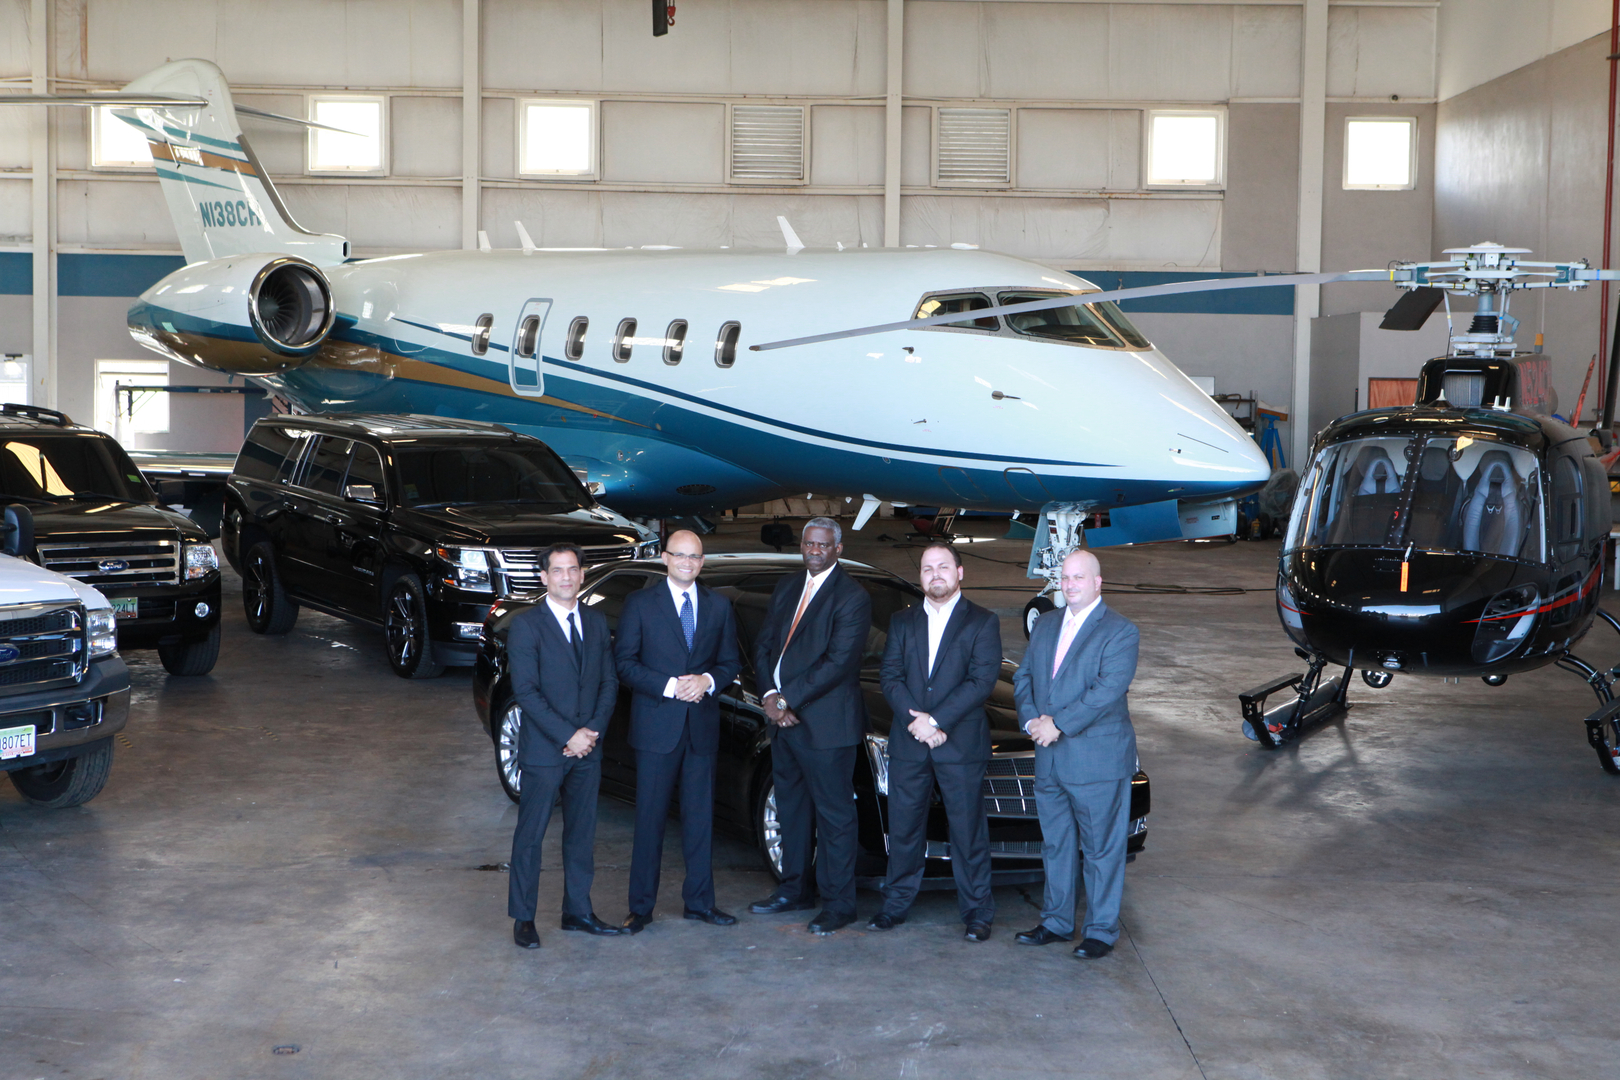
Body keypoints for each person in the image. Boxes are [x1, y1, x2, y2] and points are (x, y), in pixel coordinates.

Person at [1011, 549, 1140, 960]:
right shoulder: (1046, 624)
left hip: (1096, 760)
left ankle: (1100, 931)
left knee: (1101, 849)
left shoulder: (1120, 631)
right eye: (1065, 577)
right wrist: (1031, 721)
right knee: (1057, 845)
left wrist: (1058, 724)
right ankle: (1056, 922)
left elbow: (1106, 691)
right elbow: (1023, 676)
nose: (1069, 585)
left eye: (1078, 577)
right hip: (1049, 757)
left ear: (1098, 582)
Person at [613, 530, 743, 933]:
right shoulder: (640, 603)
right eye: (680, 555)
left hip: (701, 729)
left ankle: (700, 903)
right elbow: (625, 663)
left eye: (695, 557)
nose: (687, 562)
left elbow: (730, 662)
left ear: (702, 563)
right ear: (665, 558)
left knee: (700, 820)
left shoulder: (718, 606)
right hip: (657, 728)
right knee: (650, 820)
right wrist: (671, 686)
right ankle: (640, 907)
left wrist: (706, 680)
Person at [871, 542, 1002, 941]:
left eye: (943, 566)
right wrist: (918, 723)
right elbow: (890, 676)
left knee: (968, 831)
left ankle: (977, 912)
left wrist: (937, 720)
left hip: (959, 744)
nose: (935, 575)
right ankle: (895, 905)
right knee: (904, 828)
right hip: (911, 741)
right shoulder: (902, 621)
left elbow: (981, 681)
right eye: (927, 568)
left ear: (959, 572)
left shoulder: (983, 621)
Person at [747, 517, 872, 935]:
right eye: (809, 544)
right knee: (792, 808)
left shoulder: (852, 596)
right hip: (783, 723)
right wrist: (769, 696)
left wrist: (785, 700)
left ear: (838, 549)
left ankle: (839, 904)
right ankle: (794, 889)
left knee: (834, 816)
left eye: (823, 544)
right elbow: (764, 645)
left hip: (826, 726)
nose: (815, 550)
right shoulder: (787, 587)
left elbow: (838, 663)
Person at [506, 543, 623, 948]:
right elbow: (526, 691)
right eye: (557, 570)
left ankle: (577, 911)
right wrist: (567, 735)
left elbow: (608, 682)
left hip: (587, 749)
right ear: (544, 578)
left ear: (582, 574)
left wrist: (590, 732)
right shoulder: (527, 626)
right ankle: (524, 917)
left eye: (573, 569)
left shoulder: (595, 621)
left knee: (581, 834)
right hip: (545, 751)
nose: (566, 577)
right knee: (531, 836)